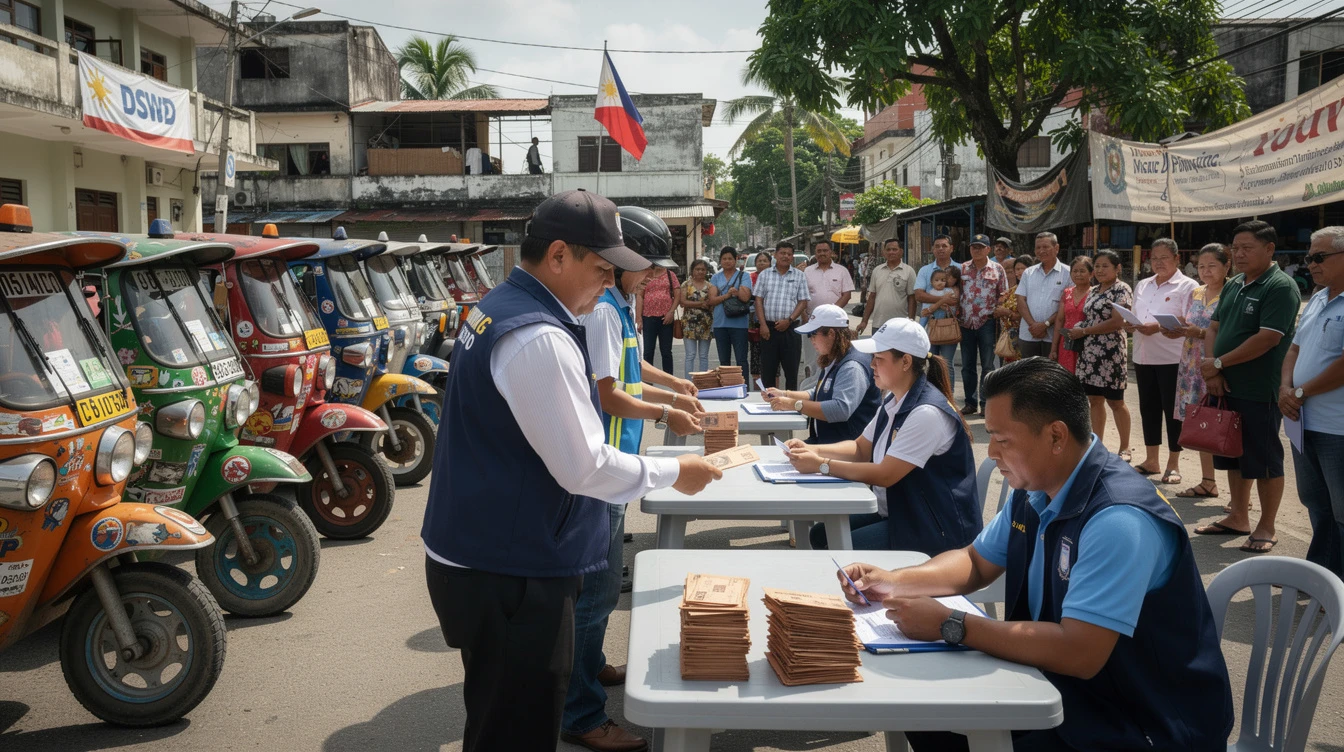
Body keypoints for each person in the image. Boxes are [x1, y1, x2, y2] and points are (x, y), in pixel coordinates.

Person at [421, 189, 722, 752]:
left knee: (495, 716)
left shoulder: (502, 305)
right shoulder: (539, 336)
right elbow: (583, 467)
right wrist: (673, 469)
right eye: (602, 269)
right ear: (558, 255)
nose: (608, 286)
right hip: (508, 568)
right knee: (516, 728)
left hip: (481, 549)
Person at [837, 358, 1234, 752]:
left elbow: (1079, 652)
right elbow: (975, 562)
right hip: (1069, 692)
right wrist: (892, 580)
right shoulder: (1037, 490)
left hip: (1141, 723)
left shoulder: (1118, 520)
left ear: (1056, 437)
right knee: (925, 716)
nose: (990, 451)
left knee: (945, 724)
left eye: (1002, 439)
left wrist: (951, 624)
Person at [565, 208, 705, 752]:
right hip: (603, 466)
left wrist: (674, 388)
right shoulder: (602, 311)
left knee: (600, 583)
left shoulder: (619, 308)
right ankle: (580, 713)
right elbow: (608, 393)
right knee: (598, 591)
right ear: (620, 263)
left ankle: (591, 665)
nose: (653, 277)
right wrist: (666, 414)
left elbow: (633, 370)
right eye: (647, 266)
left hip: (618, 462)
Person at [786, 318, 980, 553]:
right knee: (821, 534)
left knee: (837, 548)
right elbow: (859, 449)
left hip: (932, 527)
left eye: (879, 359)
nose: (871, 365)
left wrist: (821, 465)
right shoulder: (894, 400)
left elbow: (885, 475)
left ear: (906, 362)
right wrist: (811, 450)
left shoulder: (926, 413)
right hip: (903, 511)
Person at [1196, 220, 1301, 554]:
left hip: (1260, 389)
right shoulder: (1236, 283)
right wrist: (1212, 369)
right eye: (1235, 248)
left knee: (1265, 458)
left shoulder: (1280, 286)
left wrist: (1219, 364)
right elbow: (1213, 328)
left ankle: (1266, 525)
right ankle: (1237, 516)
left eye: (1247, 248)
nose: (1238, 254)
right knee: (1234, 454)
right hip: (1226, 385)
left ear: (1269, 249)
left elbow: (1268, 339)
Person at [1280, 226, 1344, 577]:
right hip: (1304, 422)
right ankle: (1322, 576)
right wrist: (1285, 387)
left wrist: (1301, 392)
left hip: (1337, 427)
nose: (1311, 264)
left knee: (1342, 512)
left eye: (1319, 257)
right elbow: (1294, 348)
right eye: (1309, 257)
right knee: (1317, 506)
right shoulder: (1319, 297)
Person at [1128, 238, 1198, 485]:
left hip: (1172, 356)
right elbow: (1137, 313)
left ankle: (1173, 463)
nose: (1158, 263)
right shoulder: (1143, 285)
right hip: (1143, 355)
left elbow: (1190, 319)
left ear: (1177, 259)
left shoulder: (1188, 285)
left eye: (1164, 258)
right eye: (1154, 258)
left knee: (1173, 412)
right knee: (1148, 408)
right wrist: (1131, 323)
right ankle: (1151, 460)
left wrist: (1156, 326)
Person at [764, 304, 880, 445]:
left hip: (846, 451)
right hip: (829, 442)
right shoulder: (836, 356)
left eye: (812, 334)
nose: (810, 340)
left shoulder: (852, 366)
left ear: (831, 333)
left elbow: (840, 409)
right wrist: (785, 394)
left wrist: (794, 404)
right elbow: (820, 392)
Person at [1172, 244, 1230, 500]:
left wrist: (1202, 333)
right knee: (1200, 422)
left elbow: (1231, 332)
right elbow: (1189, 321)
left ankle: (1241, 495)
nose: (1205, 271)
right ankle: (1208, 481)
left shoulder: (1232, 292)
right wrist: (1176, 328)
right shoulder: (1196, 292)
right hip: (1190, 366)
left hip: (1216, 365)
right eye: (1201, 266)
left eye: (1212, 265)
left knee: (1225, 423)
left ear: (1227, 266)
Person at [1068, 250, 1133, 461]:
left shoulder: (1121, 289)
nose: (1100, 270)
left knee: (1116, 401)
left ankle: (1125, 447)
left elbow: (1117, 322)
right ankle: (1098, 444)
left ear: (1118, 268)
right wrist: (1080, 329)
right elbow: (1089, 317)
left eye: (1105, 266)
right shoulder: (1094, 290)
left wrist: (1085, 331)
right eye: (1097, 266)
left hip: (1111, 352)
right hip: (1089, 352)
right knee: (1094, 400)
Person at [957, 234, 1008, 416]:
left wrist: (998, 308)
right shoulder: (962, 268)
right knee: (967, 366)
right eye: (974, 247)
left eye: (980, 247)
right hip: (965, 322)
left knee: (988, 366)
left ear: (988, 249)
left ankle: (986, 403)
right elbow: (956, 291)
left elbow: (1004, 293)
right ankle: (970, 403)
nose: (976, 250)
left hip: (987, 322)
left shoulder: (998, 269)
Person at [753, 241, 811, 389]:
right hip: (769, 330)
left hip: (791, 329)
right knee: (768, 373)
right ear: (775, 255)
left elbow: (803, 301)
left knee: (791, 373)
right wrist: (763, 325)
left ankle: (790, 407)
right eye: (782, 253)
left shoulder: (799, 276)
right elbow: (758, 301)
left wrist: (789, 320)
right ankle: (769, 405)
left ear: (792, 257)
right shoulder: (765, 275)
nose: (785, 256)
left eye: (789, 254)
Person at [801, 240, 855, 385]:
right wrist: (804, 315)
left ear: (831, 252)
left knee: (834, 355)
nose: (822, 254)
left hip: (834, 324)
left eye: (825, 250)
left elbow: (847, 295)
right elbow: (801, 295)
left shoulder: (841, 270)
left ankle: (831, 384)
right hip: (811, 323)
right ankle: (810, 387)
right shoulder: (807, 271)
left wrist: (830, 313)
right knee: (812, 360)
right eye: (819, 251)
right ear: (815, 253)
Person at [1016, 232, 1070, 358]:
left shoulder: (1068, 273)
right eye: (1038, 248)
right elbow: (1020, 300)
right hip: (1028, 334)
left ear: (1056, 248)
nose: (1041, 251)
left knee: (1050, 375)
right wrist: (1033, 325)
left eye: (1045, 247)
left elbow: (1068, 305)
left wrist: (1044, 325)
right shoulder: (1028, 273)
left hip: (1053, 337)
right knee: (1029, 374)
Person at [857, 237, 918, 335]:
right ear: (884, 252)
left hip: (901, 325)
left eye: (894, 249)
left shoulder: (909, 271)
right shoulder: (877, 270)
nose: (891, 252)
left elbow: (912, 298)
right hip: (878, 324)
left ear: (901, 251)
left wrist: (910, 322)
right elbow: (872, 297)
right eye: (888, 249)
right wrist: (864, 321)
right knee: (878, 350)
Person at [708, 246, 751, 373]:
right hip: (720, 324)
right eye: (724, 258)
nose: (727, 261)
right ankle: (726, 390)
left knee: (741, 360)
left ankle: (744, 388)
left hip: (740, 324)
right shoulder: (715, 277)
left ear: (736, 260)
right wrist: (727, 295)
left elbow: (746, 297)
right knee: (724, 361)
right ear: (720, 260)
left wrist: (737, 293)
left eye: (730, 258)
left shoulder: (744, 276)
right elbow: (712, 300)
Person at [1050, 256, 1092, 375]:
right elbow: (1059, 320)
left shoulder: (1095, 293)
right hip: (1067, 343)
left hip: (1087, 342)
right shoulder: (1067, 292)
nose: (1078, 274)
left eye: (1082, 271)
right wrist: (1054, 348)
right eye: (1075, 271)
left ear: (1091, 274)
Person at [636, 261, 678, 373]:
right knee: (648, 351)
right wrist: (638, 318)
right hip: (648, 317)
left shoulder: (670, 275)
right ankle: (647, 381)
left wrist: (671, 312)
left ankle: (670, 380)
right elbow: (639, 295)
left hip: (666, 318)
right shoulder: (646, 275)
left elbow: (677, 295)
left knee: (666, 352)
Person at [921, 267, 960, 385]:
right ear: (931, 282)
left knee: (948, 365)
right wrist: (942, 301)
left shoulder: (951, 292)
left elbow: (953, 305)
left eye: (943, 279)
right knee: (932, 364)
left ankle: (950, 394)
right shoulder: (930, 293)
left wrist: (935, 305)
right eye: (937, 280)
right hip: (933, 330)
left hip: (948, 330)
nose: (940, 282)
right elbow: (924, 312)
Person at [994, 255, 1034, 364]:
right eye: (1017, 269)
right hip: (1008, 339)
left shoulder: (1034, 290)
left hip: (1025, 336)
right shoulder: (1013, 290)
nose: (1019, 272)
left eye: (1023, 268)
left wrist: (1007, 313)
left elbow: (1031, 314)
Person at [679, 259, 713, 376]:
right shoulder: (686, 284)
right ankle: (688, 383)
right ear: (692, 270)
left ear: (706, 271)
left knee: (703, 356)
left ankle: (702, 383)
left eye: (703, 269)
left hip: (705, 324)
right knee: (690, 355)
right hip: (689, 324)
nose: (700, 272)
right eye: (697, 269)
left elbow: (712, 303)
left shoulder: (710, 286)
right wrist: (701, 304)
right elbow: (683, 302)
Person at [914, 234, 958, 318]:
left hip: (955, 322)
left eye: (944, 246)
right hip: (930, 322)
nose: (940, 249)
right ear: (932, 249)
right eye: (937, 246)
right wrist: (944, 299)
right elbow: (919, 295)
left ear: (951, 248)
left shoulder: (960, 268)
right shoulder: (924, 270)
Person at [748, 251, 772, 388]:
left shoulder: (775, 277)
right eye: (759, 261)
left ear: (770, 263)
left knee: (772, 361)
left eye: (765, 261)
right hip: (755, 323)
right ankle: (757, 391)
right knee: (756, 358)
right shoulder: (750, 278)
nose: (762, 263)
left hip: (772, 322)